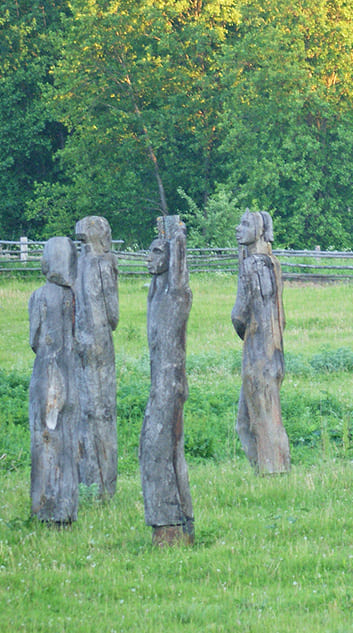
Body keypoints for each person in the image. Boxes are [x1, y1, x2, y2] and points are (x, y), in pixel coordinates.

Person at [139, 218, 194, 545]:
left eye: (157, 252)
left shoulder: (176, 290)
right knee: (155, 448)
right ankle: (174, 522)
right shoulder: (155, 289)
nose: (150, 258)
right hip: (158, 381)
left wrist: (176, 234)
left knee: (157, 448)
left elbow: (178, 268)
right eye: (149, 252)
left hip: (169, 383)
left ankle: (171, 520)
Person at [232, 211, 290, 474]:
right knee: (250, 421)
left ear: (259, 230)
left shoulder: (252, 266)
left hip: (258, 352)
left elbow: (240, 314)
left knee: (261, 419)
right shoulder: (272, 263)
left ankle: (273, 472)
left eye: (245, 224)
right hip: (274, 352)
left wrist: (241, 326)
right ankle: (268, 471)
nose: (238, 228)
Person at [29, 237, 79, 524]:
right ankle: (65, 505)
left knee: (46, 435)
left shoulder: (38, 296)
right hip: (70, 372)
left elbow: (34, 338)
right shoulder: (73, 298)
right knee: (67, 436)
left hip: (46, 370)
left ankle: (47, 506)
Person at [73, 216, 119, 500]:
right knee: (100, 406)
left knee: (88, 405)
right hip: (99, 338)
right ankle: (99, 483)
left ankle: (92, 480)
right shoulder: (104, 263)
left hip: (80, 337)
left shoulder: (78, 264)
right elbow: (113, 313)